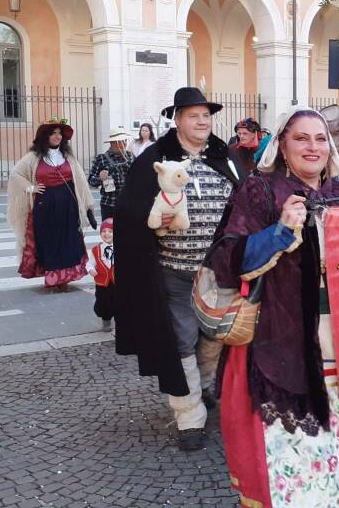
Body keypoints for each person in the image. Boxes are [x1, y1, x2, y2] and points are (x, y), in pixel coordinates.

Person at [207, 107, 339, 507]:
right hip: (282, 341)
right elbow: (226, 260)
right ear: (283, 145)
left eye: (321, 138)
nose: (313, 147)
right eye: (301, 138)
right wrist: (279, 232)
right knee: (292, 465)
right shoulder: (259, 190)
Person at [114, 87, 244, 452]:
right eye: (193, 115)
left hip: (220, 273)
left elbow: (247, 200)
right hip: (173, 271)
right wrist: (154, 223)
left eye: (206, 115)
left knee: (216, 338)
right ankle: (190, 416)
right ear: (178, 119)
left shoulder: (226, 156)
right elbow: (130, 211)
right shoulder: (154, 159)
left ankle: (201, 389)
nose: (202, 121)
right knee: (181, 341)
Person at [8, 119, 95, 288]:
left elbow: (81, 181)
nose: (57, 136)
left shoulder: (68, 157)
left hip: (69, 206)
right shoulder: (33, 157)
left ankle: (65, 278)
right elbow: (15, 174)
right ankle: (53, 278)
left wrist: (88, 205)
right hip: (45, 206)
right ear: (45, 136)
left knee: (69, 241)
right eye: (53, 133)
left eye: (59, 133)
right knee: (50, 241)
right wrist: (31, 188)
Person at [88, 127, 134, 220]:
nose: (125, 143)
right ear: (113, 143)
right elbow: (91, 181)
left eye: (125, 140)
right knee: (109, 233)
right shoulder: (101, 158)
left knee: (128, 233)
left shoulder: (131, 156)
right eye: (121, 141)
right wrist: (100, 178)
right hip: (109, 204)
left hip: (129, 203)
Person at [87, 218, 115, 332]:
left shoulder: (121, 247)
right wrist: (91, 269)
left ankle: (121, 321)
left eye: (110, 231)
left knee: (118, 302)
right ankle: (106, 321)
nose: (106, 234)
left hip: (115, 282)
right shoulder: (96, 250)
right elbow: (90, 263)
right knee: (103, 303)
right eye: (104, 231)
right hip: (102, 283)